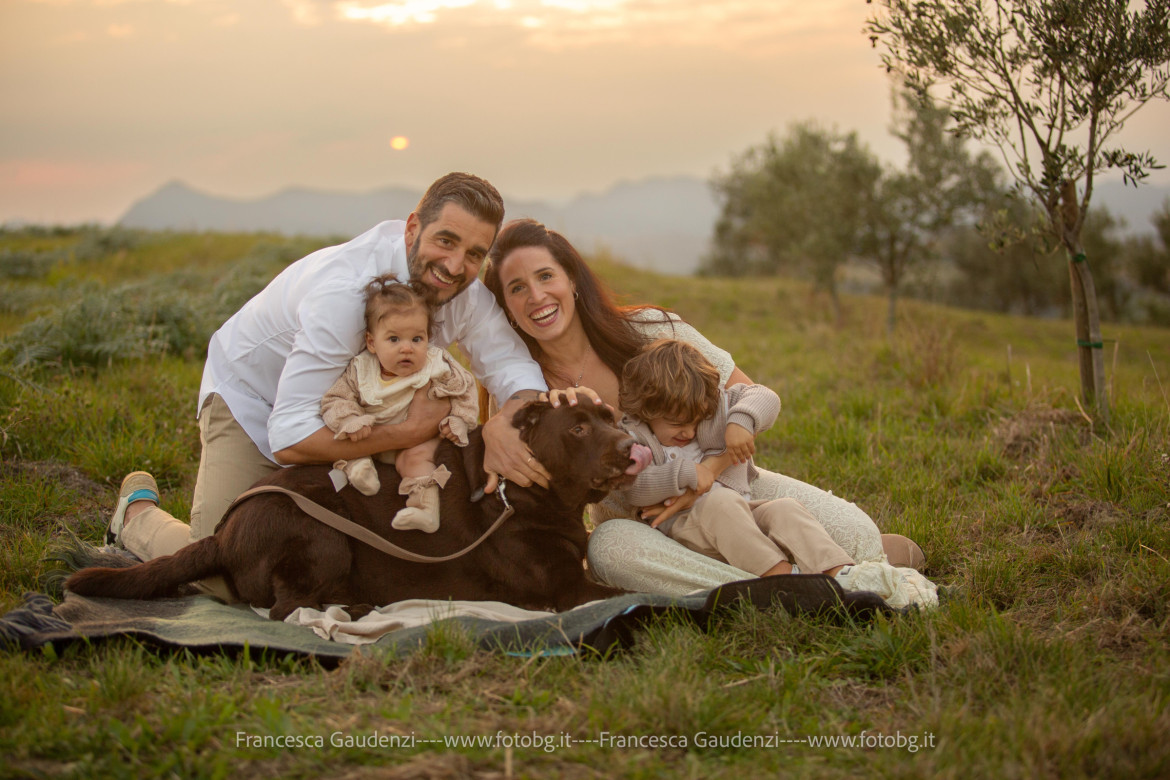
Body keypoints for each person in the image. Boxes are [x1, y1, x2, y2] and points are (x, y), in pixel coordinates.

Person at [106, 173, 550, 593]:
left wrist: (505, 424)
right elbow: (290, 436)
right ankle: (136, 517)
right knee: (229, 576)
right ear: (413, 228)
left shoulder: (465, 293)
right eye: (446, 241)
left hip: (360, 417)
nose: (456, 266)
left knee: (367, 557)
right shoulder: (345, 295)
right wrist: (411, 431)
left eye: (475, 253)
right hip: (255, 402)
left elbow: (513, 367)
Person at [481, 217, 926, 597]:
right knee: (609, 551)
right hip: (646, 523)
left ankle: (814, 570)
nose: (536, 297)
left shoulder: (652, 330)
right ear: (506, 309)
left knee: (861, 537)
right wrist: (489, 430)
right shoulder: (521, 389)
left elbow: (750, 394)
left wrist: (705, 475)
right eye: (517, 288)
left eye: (545, 276)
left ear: (571, 279)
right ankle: (784, 588)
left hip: (731, 490)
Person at [609, 339, 936, 608]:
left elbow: (765, 396)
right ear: (646, 411)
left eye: (697, 421)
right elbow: (634, 488)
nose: (689, 432)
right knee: (720, 504)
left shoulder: (708, 407)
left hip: (739, 513)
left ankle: (843, 575)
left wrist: (741, 422)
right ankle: (786, 582)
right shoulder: (635, 437)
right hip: (687, 527)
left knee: (784, 509)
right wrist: (684, 473)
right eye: (678, 425)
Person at [320, 275, 478, 533]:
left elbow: (464, 388)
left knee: (416, 458)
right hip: (372, 436)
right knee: (350, 445)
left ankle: (425, 510)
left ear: (428, 338)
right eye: (394, 340)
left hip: (418, 441)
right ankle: (360, 471)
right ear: (372, 342)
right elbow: (335, 399)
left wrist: (460, 419)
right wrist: (349, 420)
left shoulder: (437, 364)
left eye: (416, 339)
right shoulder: (361, 369)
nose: (407, 349)